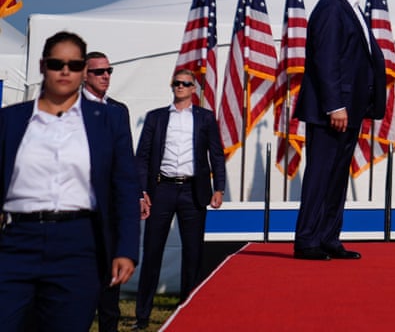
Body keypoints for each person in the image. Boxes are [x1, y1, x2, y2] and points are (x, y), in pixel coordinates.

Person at [0, 31, 139, 332]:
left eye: (74, 65)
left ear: (81, 72)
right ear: (43, 66)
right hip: (17, 239)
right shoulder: (9, 120)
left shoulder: (109, 120)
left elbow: (125, 187)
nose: (65, 71)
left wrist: (126, 248)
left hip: (79, 243)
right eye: (56, 63)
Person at [293, 0, 388, 261]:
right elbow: (326, 60)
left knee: (336, 177)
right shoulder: (332, 8)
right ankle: (307, 240)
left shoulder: (350, 6)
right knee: (321, 174)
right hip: (332, 112)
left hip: (351, 108)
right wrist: (335, 105)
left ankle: (328, 237)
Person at [133, 68, 226, 330]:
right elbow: (142, 156)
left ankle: (189, 311)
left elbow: (216, 155)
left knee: (193, 254)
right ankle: (142, 317)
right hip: (161, 190)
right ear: (172, 86)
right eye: (177, 83)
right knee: (152, 252)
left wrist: (219, 187)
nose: (181, 87)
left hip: (192, 191)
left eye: (186, 84)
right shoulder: (156, 118)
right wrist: (142, 191)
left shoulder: (205, 118)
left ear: (194, 89)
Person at [83, 51, 130, 332]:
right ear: (84, 75)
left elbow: (126, 158)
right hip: (80, 206)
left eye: (109, 71)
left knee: (111, 273)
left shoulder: (118, 110)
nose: (105, 76)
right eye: (99, 72)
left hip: (111, 208)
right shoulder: (71, 108)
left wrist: (136, 194)